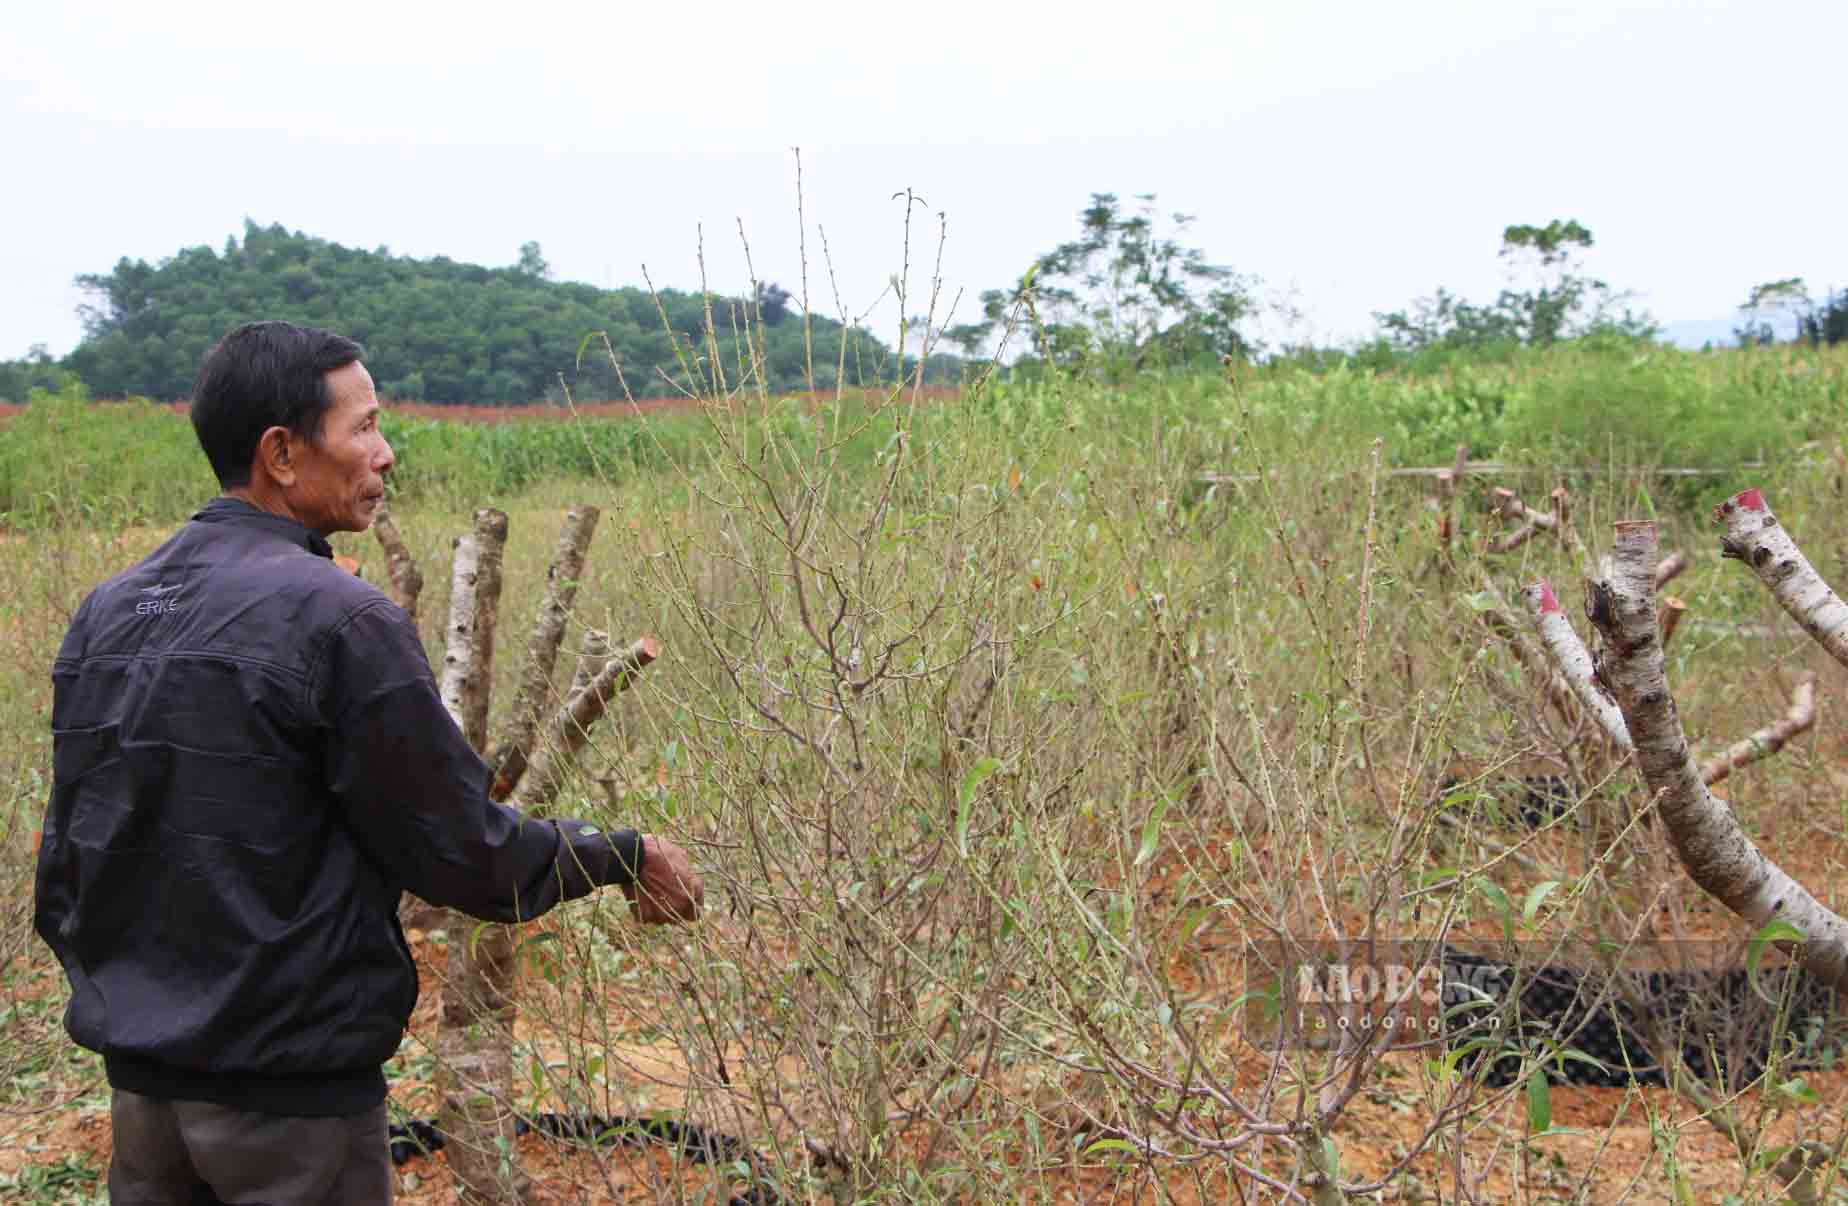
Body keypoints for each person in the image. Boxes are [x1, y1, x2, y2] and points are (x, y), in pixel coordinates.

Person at [32, 320, 703, 1204]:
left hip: (145, 1102)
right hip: (293, 1116)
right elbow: (469, 853)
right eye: (364, 428)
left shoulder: (109, 611)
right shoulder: (343, 619)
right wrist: (621, 854)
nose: (385, 454)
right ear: (281, 452)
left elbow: (68, 861)